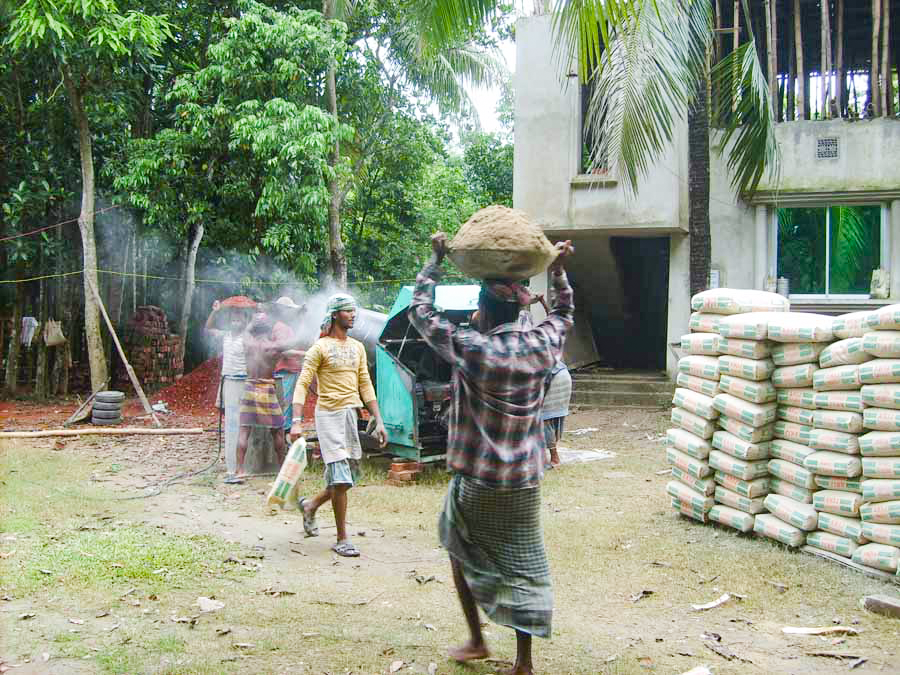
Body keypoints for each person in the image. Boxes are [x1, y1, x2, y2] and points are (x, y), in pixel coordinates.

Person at [408, 232, 574, 675]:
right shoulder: (542, 345)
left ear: (482, 313)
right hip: (524, 481)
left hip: (478, 483)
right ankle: (523, 662)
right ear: (519, 308)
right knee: (523, 562)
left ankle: (477, 639)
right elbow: (563, 311)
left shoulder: (472, 347)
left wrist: (435, 259)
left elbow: (419, 312)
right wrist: (556, 270)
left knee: (459, 547)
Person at [290, 293, 387, 558]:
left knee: (349, 476)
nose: (353, 315)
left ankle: (310, 505)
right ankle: (342, 538)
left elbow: (365, 384)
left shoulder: (356, 347)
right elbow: (302, 383)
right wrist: (296, 422)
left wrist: (378, 419)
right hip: (328, 415)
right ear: (335, 314)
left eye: (354, 311)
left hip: (349, 415)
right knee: (341, 475)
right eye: (348, 311)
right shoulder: (319, 348)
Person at [233, 313, 307, 481]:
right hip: (266, 389)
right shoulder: (275, 347)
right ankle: (282, 471)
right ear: (269, 330)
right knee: (278, 432)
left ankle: (239, 471)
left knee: (244, 430)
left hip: (250, 387)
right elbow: (295, 340)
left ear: (254, 329)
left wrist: (252, 322)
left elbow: (246, 330)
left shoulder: (246, 342)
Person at [205, 300, 252, 481]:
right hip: (228, 382)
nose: (235, 322)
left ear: (244, 322)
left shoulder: (247, 338)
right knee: (230, 423)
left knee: (243, 423)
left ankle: (242, 464)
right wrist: (215, 312)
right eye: (233, 319)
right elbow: (208, 330)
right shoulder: (225, 336)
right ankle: (231, 463)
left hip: (243, 382)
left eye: (239, 320)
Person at [269, 296, 306, 436]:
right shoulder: (281, 327)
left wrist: (302, 314)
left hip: (291, 370)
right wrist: (305, 354)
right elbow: (284, 351)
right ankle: (282, 437)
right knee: (285, 404)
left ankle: (287, 436)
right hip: (286, 371)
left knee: (291, 404)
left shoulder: (285, 326)